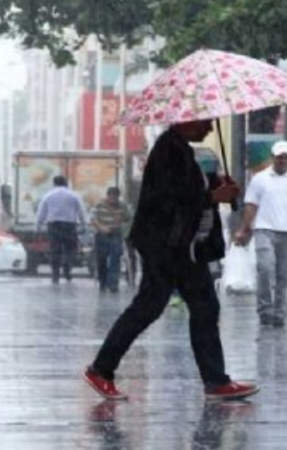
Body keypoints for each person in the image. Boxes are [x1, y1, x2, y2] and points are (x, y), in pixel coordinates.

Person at [83, 120, 260, 401]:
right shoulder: (167, 150)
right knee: (148, 307)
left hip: (187, 248)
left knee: (205, 308)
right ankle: (101, 369)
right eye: (205, 122)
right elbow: (169, 199)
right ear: (186, 121)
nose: (210, 129)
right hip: (164, 246)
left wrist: (218, 187)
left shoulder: (184, 151)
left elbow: (191, 190)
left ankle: (216, 381)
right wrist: (212, 195)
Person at [233, 140, 287, 328]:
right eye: (279, 157)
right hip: (264, 230)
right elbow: (251, 206)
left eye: (286, 157)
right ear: (273, 158)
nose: (282, 161)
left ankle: (279, 312)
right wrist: (243, 229)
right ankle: (265, 310)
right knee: (264, 268)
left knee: (283, 275)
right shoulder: (260, 179)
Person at [35, 175, 87, 283]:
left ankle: (55, 275)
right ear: (66, 183)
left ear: (54, 183)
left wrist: (38, 227)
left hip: (53, 225)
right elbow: (81, 211)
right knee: (71, 248)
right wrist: (83, 224)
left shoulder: (48, 196)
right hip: (70, 225)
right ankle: (67, 266)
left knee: (55, 250)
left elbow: (41, 212)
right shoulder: (74, 195)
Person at [90, 186, 132, 293]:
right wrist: (101, 227)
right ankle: (103, 282)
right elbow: (93, 219)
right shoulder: (99, 205)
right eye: (111, 196)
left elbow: (128, 218)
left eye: (115, 197)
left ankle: (113, 284)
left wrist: (121, 217)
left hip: (115, 235)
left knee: (115, 258)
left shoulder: (122, 206)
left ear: (118, 196)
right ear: (107, 195)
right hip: (101, 235)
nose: (113, 199)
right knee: (101, 259)